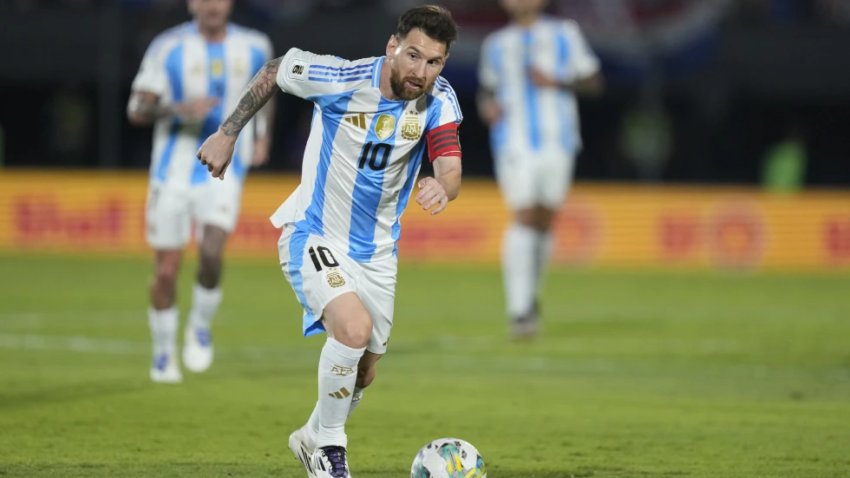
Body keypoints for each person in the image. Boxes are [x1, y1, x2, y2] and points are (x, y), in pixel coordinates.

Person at [197, 5, 462, 477]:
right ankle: (330, 451)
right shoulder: (343, 78)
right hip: (314, 232)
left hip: (379, 252)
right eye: (414, 56)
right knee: (353, 330)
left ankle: (310, 436)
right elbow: (277, 70)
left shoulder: (439, 101)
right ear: (392, 46)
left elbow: (449, 163)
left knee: (364, 369)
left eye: (434, 62)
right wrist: (227, 132)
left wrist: (444, 185)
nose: (421, 72)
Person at [127, 0, 274, 383]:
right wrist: (177, 109)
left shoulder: (255, 45)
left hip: (224, 170)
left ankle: (200, 325)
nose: (212, 5)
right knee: (167, 268)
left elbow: (269, 88)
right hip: (171, 172)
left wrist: (262, 135)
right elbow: (137, 107)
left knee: (211, 251)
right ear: (191, 3)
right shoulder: (167, 46)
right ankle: (163, 353)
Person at [477, 0, 603, 339]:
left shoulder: (565, 34)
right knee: (525, 215)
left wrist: (557, 82)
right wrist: (488, 107)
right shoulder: (496, 44)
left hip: (559, 141)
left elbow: (593, 82)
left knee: (544, 222)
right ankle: (518, 310)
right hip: (513, 141)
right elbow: (487, 90)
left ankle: (530, 299)